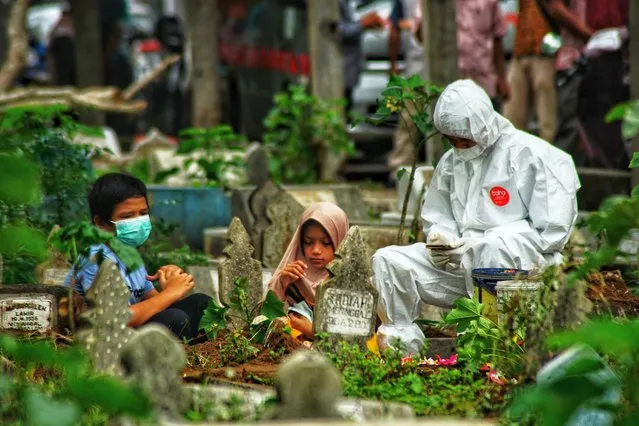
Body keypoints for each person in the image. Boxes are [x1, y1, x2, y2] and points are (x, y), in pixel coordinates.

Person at [372, 79, 580, 354]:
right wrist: (441, 239)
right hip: (462, 265)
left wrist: (482, 245)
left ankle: (493, 348)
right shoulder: (451, 162)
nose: (459, 145)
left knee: (491, 247)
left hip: (522, 269)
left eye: (464, 139)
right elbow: (438, 215)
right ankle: (402, 349)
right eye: (451, 140)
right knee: (389, 260)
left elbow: (551, 233)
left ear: (484, 126)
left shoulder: (535, 156)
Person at [64, 173, 211, 341]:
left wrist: (171, 285)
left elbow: (154, 303)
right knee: (175, 320)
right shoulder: (95, 259)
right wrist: (170, 293)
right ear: (100, 223)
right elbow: (114, 319)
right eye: (127, 216)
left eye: (143, 213)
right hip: (102, 337)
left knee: (202, 304)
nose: (138, 221)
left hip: (132, 328)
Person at [386, 0, 510, 176]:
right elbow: (420, 36)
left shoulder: (489, 2)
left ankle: (487, 173)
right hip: (436, 75)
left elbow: (498, 37)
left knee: (480, 127)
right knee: (412, 121)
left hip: (479, 74)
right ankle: (400, 173)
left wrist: (502, 77)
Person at [502, 0, 592, 142]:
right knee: (513, 110)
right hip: (520, 49)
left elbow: (556, 9)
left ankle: (547, 152)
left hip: (543, 51)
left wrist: (589, 35)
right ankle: (510, 151)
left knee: (546, 112)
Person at [268, 202, 350, 341]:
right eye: (308, 242)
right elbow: (264, 322)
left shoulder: (350, 283)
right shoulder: (291, 275)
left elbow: (354, 340)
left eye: (326, 243)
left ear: (340, 240)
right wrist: (281, 285)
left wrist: (312, 331)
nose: (316, 250)